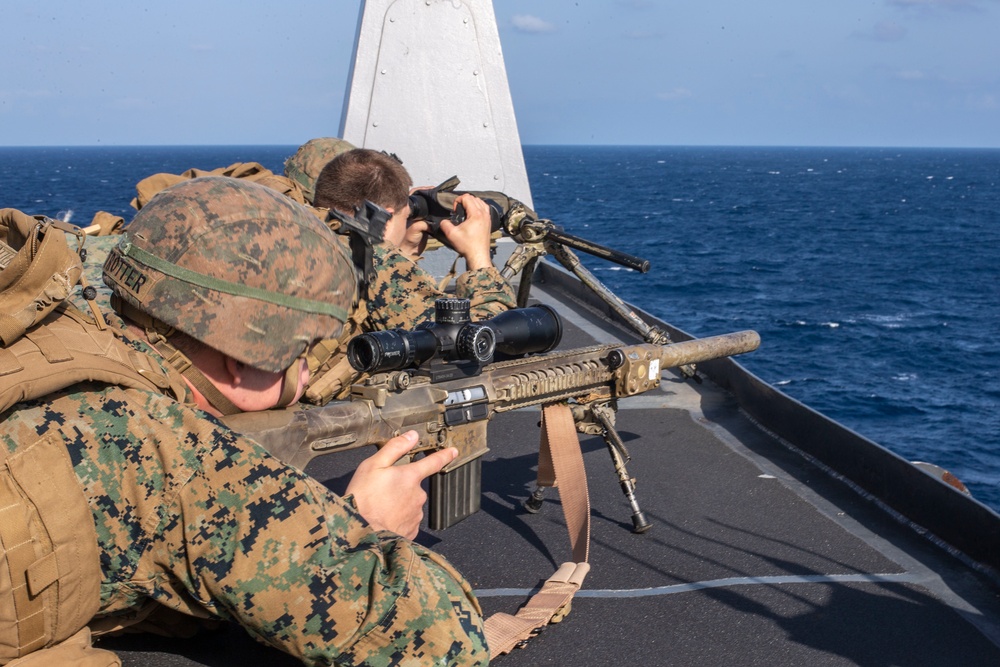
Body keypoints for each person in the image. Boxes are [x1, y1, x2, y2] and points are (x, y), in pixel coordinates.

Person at [0, 177, 488, 666]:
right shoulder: (171, 453)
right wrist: (367, 526)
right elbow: (444, 642)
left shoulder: (48, 328)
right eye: (301, 351)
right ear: (245, 356)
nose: (304, 371)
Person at [312, 148, 517, 331]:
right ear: (385, 217)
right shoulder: (374, 262)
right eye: (405, 215)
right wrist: (478, 256)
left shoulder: (305, 230)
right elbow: (484, 336)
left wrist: (405, 250)